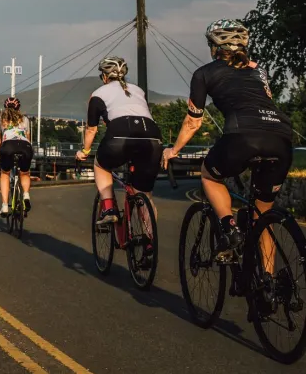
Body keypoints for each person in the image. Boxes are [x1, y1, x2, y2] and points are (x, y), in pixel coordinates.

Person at [163, 19, 293, 259]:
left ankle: (229, 227)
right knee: (263, 219)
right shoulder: (260, 70)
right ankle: (268, 286)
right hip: (282, 138)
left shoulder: (203, 73)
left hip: (241, 137)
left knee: (209, 175)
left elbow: (193, 121)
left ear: (214, 47)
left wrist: (174, 150)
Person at [76, 56, 163, 231]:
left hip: (120, 135)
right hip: (152, 137)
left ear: (104, 77)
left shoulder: (98, 94)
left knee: (101, 165)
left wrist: (85, 151)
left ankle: (108, 208)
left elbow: (91, 130)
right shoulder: (138, 91)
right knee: (144, 193)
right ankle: (149, 243)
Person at [0, 97, 33, 217]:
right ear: (18, 108)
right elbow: (28, 138)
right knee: (25, 173)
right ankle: (26, 195)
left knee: (5, 173)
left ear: (6, 107)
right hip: (25, 146)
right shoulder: (25, 119)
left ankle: (5, 206)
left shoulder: (1, 119)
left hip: (8, 146)